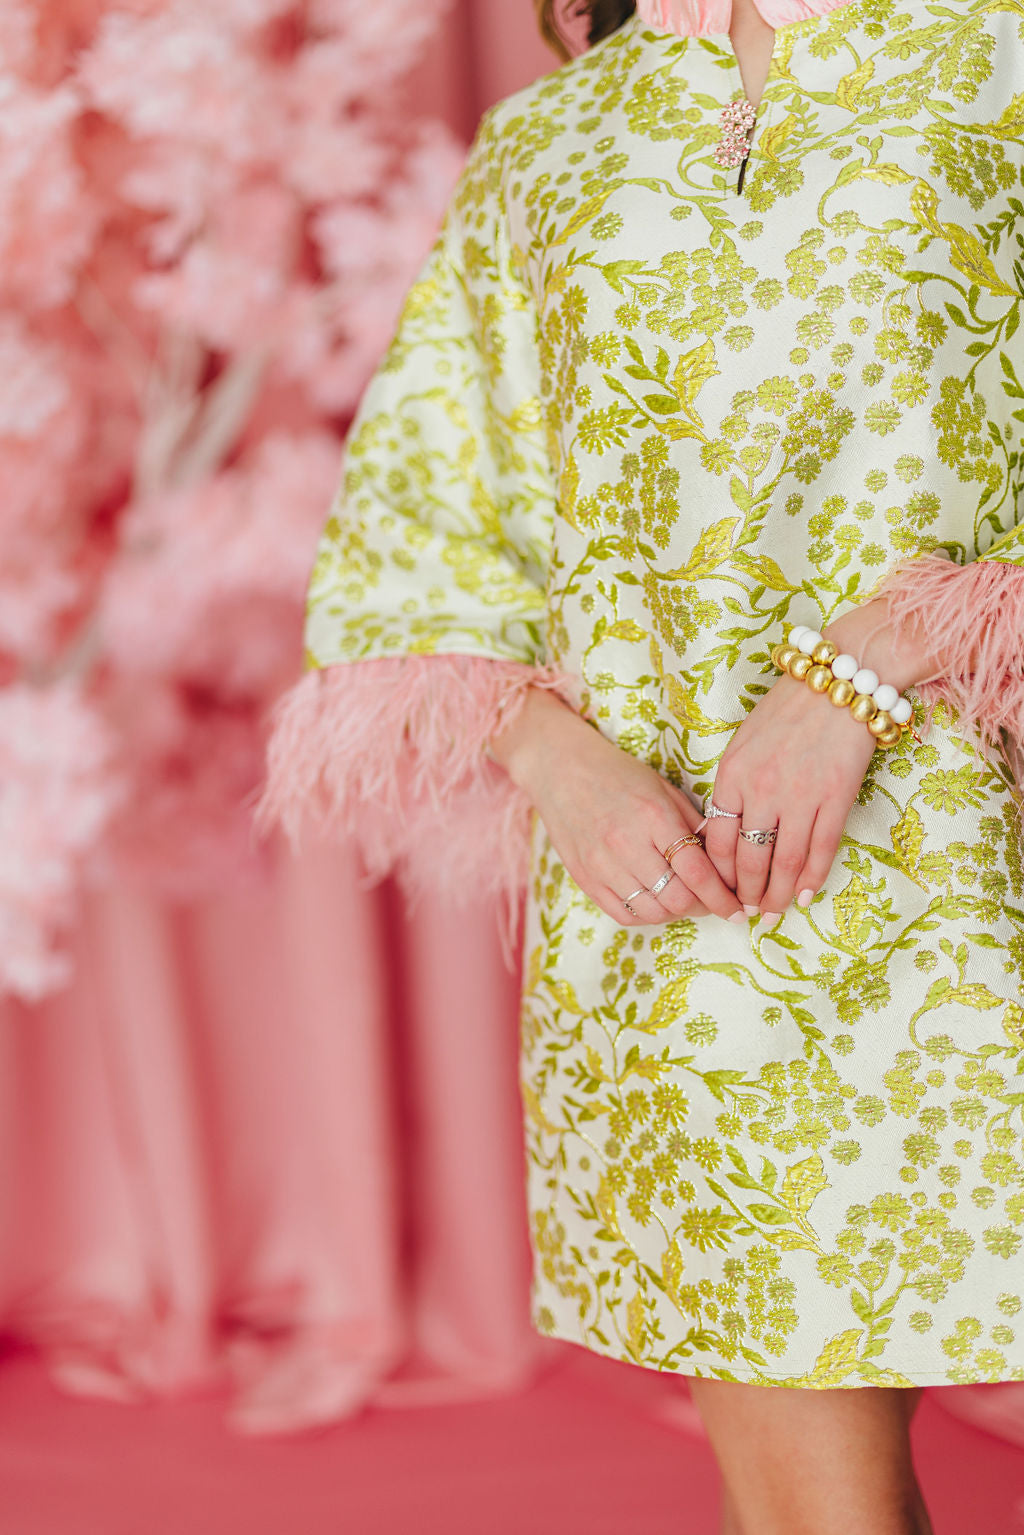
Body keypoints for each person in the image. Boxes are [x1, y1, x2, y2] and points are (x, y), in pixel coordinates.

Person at [262, 0, 1024, 1528]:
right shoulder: (551, 139)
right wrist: (561, 764)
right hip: (696, 914)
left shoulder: (1000, 55)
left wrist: (877, 655)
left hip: (978, 866)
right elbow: (424, 534)